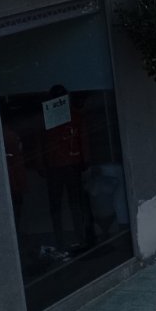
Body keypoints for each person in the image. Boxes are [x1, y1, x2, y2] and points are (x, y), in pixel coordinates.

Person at [43, 85, 94, 253]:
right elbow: (41, 144)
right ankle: (71, 239)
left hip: (67, 165)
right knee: (66, 205)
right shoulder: (50, 118)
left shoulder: (72, 117)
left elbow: (82, 140)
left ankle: (77, 238)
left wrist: (85, 162)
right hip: (60, 166)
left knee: (70, 204)